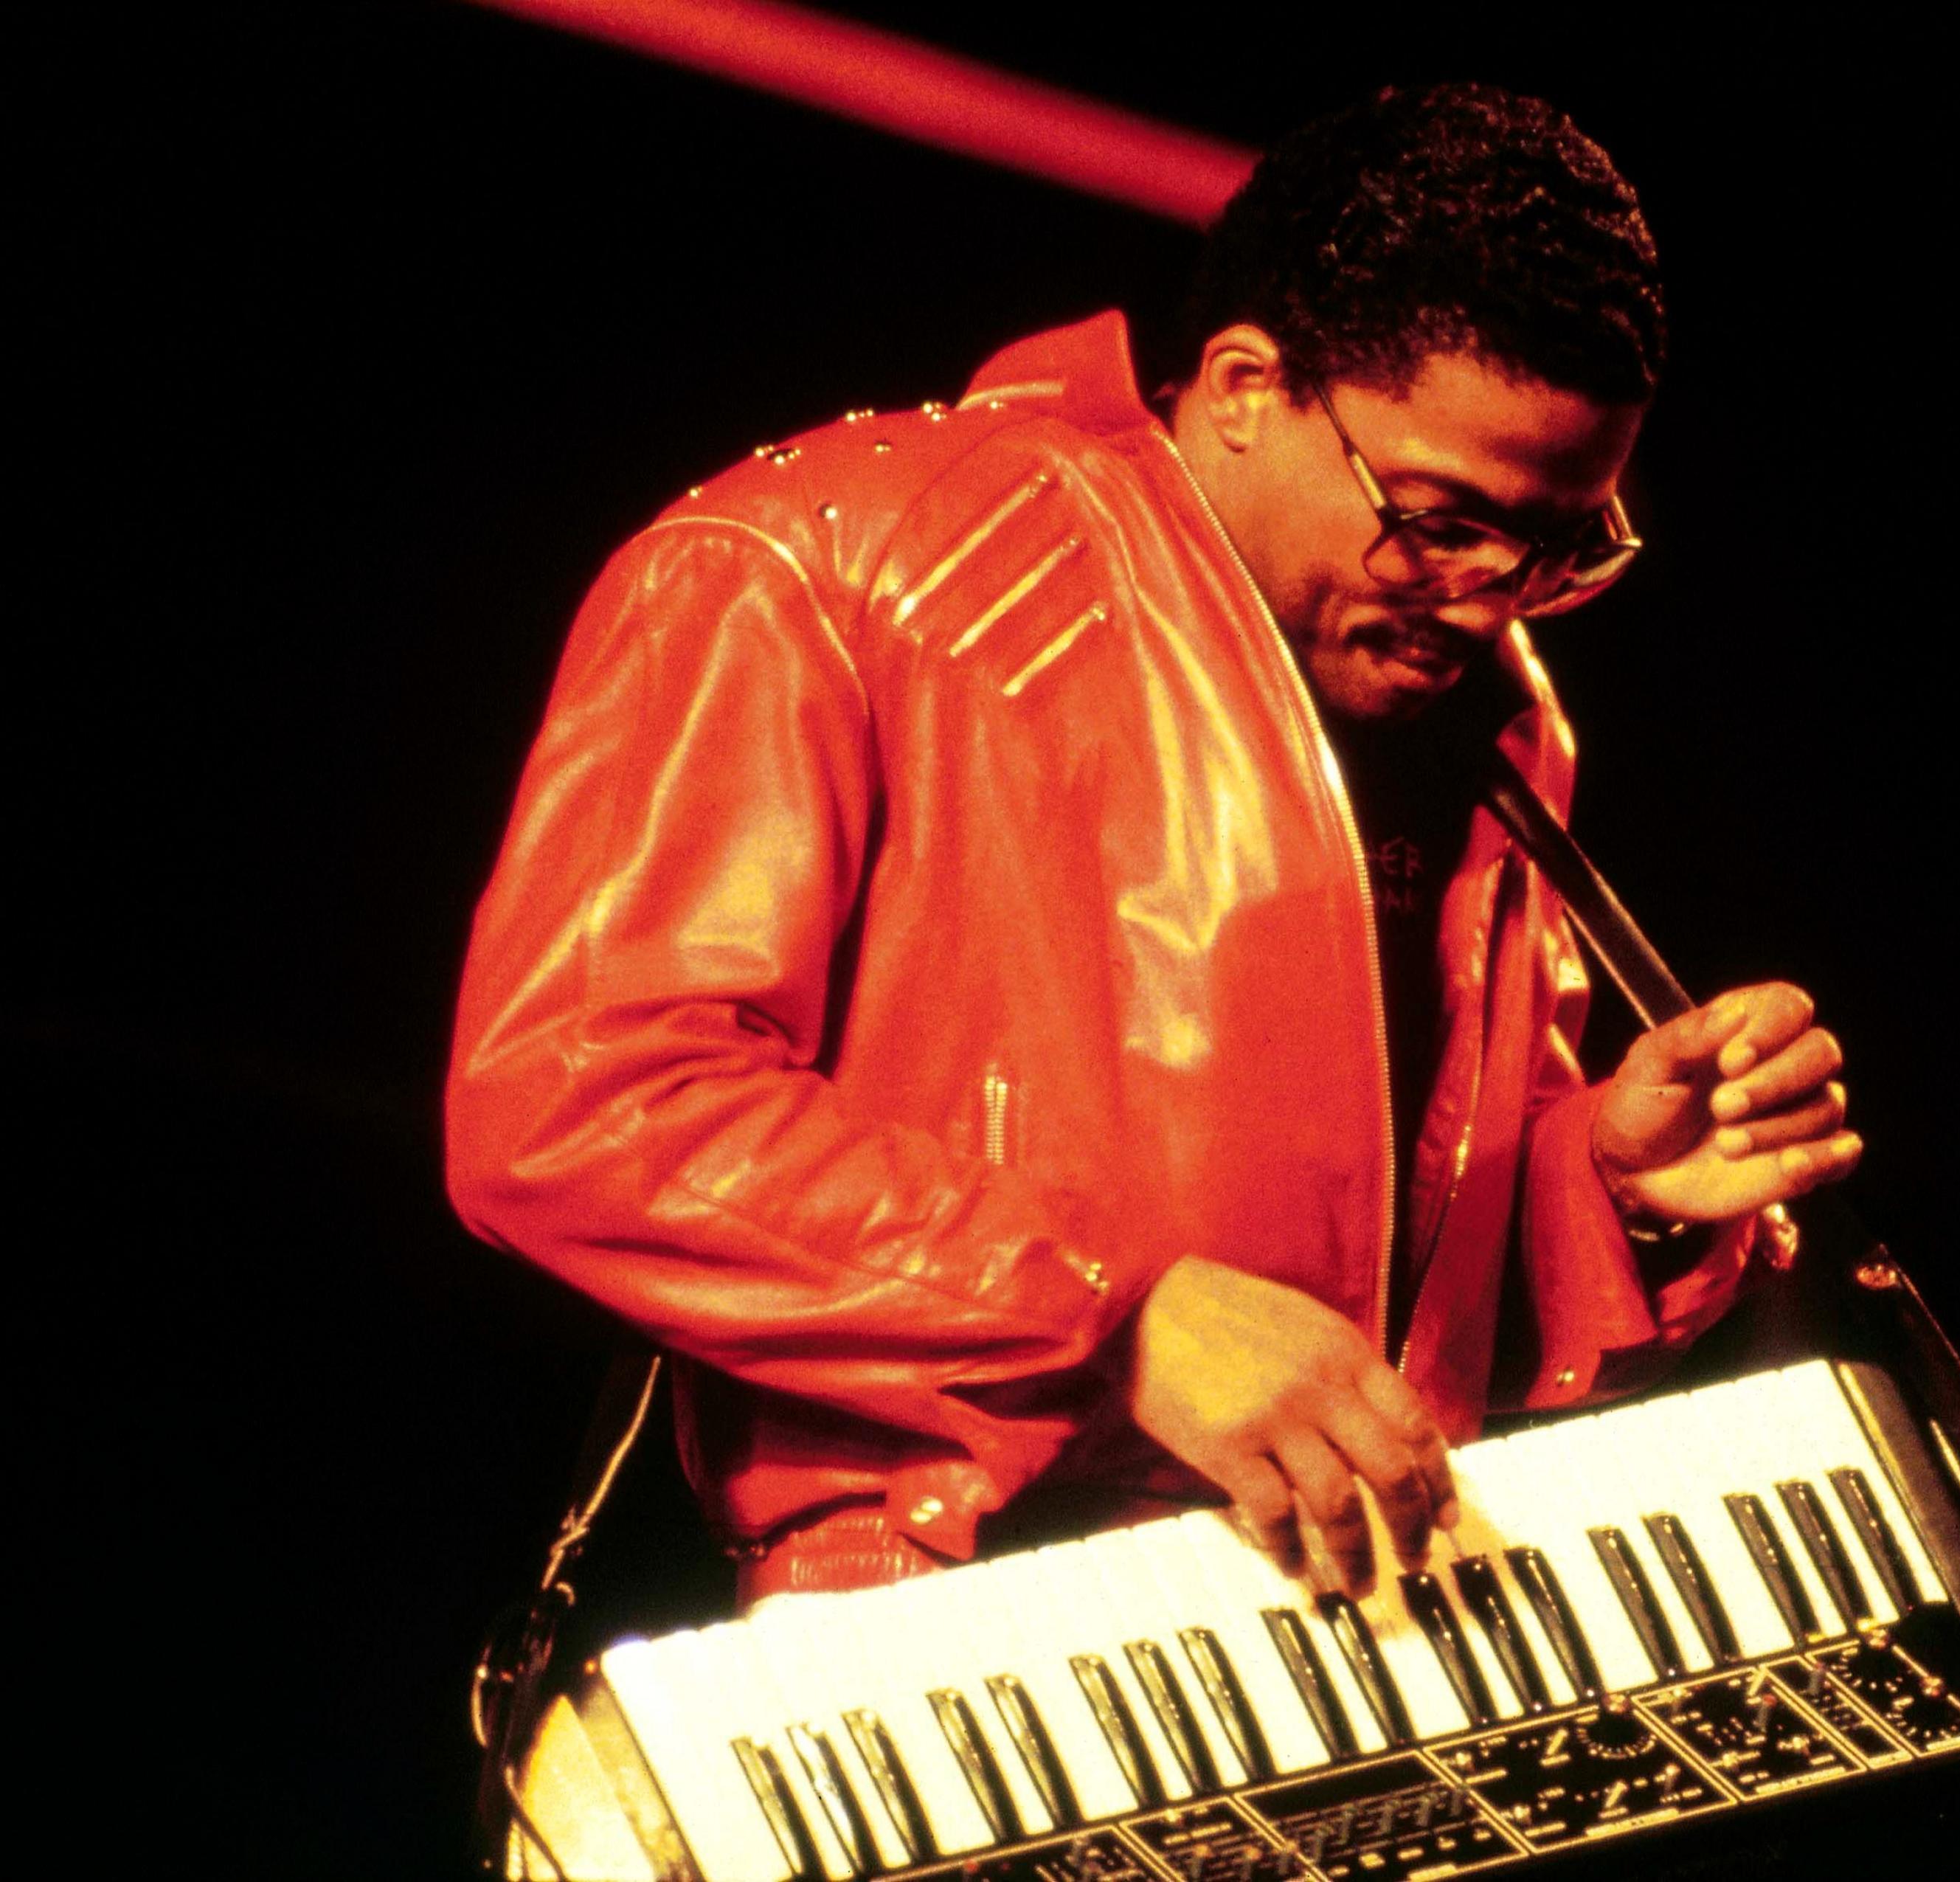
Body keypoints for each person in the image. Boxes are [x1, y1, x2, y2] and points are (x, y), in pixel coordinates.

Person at [445, 84, 1862, 1611]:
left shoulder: (1492, 715)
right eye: (1440, 519)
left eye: (1562, 546)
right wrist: (1119, 1321)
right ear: (1246, 385)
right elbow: (581, 1100)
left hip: (1356, 1622)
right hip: (926, 1616)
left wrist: (1605, 1182)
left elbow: (1388, 1303)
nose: (1487, 597)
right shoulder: (817, 560)